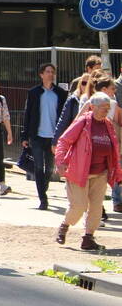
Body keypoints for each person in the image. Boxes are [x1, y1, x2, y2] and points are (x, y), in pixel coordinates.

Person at [53, 92, 118, 250]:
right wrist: (60, 161)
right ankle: (64, 226)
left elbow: (114, 148)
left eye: (108, 108)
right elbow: (64, 141)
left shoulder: (108, 124)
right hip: (79, 171)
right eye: (103, 107)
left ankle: (88, 238)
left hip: (100, 173)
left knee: (96, 208)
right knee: (79, 206)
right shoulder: (83, 122)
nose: (106, 111)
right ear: (92, 107)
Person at [22, 63, 67, 210]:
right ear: (41, 74)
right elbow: (27, 114)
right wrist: (24, 136)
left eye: (52, 72)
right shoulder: (34, 92)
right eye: (47, 72)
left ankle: (43, 189)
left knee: (49, 169)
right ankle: (43, 199)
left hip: (53, 137)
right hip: (37, 135)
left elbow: (64, 116)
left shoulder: (60, 93)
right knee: (39, 167)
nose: (50, 74)